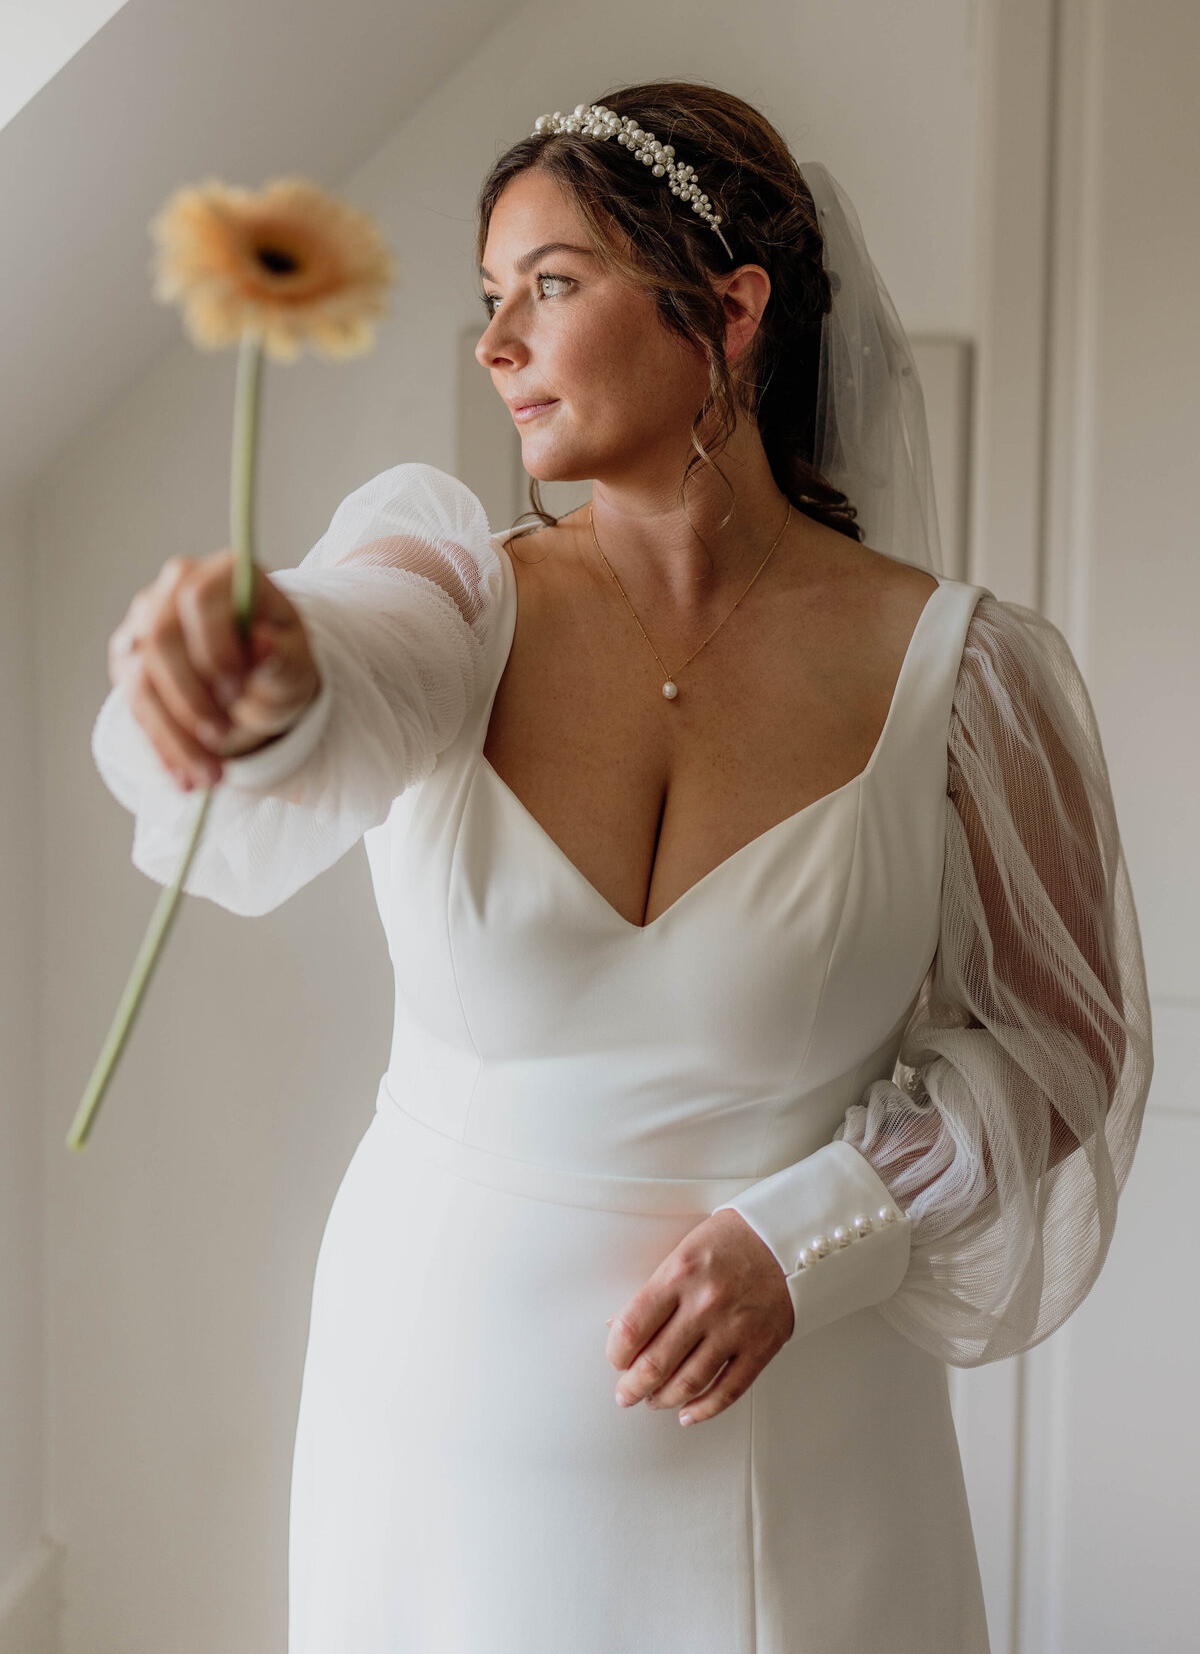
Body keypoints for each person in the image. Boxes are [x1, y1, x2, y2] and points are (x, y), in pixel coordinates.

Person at [92, 80, 1153, 1653]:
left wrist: (822, 1231)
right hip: (426, 1433)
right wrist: (250, 669)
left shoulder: (969, 676)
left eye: (553, 286)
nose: (497, 341)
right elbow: (346, 652)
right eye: (488, 298)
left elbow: (1069, 1043)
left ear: (725, 314)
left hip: (801, 1452)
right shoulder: (455, 591)